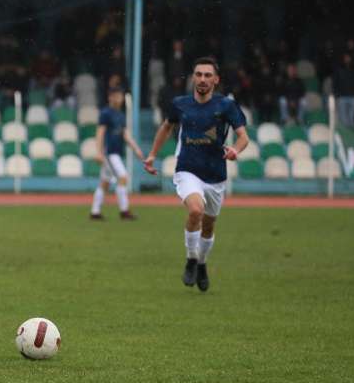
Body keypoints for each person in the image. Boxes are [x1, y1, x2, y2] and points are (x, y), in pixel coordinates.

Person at [143, 57, 250, 293]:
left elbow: (243, 136)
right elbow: (166, 127)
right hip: (187, 170)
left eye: (207, 75)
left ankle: (202, 263)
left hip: (215, 175)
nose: (202, 79)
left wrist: (235, 149)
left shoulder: (226, 106)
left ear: (216, 79)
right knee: (195, 211)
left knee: (209, 225)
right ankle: (191, 259)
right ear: (193, 77)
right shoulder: (180, 104)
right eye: (198, 74)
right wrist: (152, 155)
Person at [90, 87, 145, 221]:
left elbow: (125, 134)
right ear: (110, 97)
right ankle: (124, 211)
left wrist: (135, 148)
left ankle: (95, 212)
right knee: (123, 177)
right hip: (110, 154)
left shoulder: (120, 115)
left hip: (116, 153)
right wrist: (98, 152)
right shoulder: (106, 113)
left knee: (105, 183)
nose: (119, 99)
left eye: (120, 96)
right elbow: (100, 132)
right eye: (116, 96)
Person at [332, 52, 354, 128]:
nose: (347, 59)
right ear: (343, 59)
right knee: (343, 119)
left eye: (348, 57)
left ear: (351, 59)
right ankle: (345, 135)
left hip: (353, 96)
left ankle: (352, 136)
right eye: (345, 57)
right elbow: (335, 82)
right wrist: (336, 94)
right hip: (342, 96)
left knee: (352, 119)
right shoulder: (339, 69)